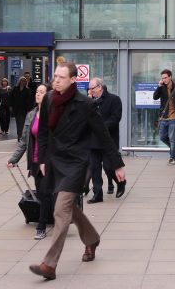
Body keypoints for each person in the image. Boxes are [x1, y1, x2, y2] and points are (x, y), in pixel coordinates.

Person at [29, 62, 126, 281]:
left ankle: (50, 264)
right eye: (55, 77)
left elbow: (103, 134)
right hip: (54, 160)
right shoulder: (49, 100)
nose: (56, 81)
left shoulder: (85, 104)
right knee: (68, 207)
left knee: (61, 209)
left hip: (76, 162)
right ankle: (91, 239)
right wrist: (43, 159)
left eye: (61, 77)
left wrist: (117, 164)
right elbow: (42, 132)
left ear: (73, 80)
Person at [7, 84, 53, 240]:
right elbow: (24, 141)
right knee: (41, 193)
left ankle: (41, 226)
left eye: (42, 92)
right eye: (37, 92)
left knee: (47, 193)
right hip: (35, 160)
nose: (38, 94)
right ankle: (49, 218)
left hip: (50, 161)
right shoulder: (31, 115)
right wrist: (13, 159)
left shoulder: (54, 114)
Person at [87, 78, 126, 202]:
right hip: (93, 141)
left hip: (108, 140)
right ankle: (97, 194)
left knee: (109, 167)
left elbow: (115, 118)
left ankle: (120, 183)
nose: (90, 91)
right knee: (94, 168)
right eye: (89, 89)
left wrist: (101, 128)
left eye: (92, 88)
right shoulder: (89, 102)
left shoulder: (114, 100)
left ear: (100, 87)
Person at [11, 76, 33, 142]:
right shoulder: (15, 89)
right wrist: (11, 106)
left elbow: (29, 100)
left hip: (24, 109)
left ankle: (20, 136)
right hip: (16, 108)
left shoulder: (27, 90)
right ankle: (19, 135)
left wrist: (29, 109)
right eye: (22, 81)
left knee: (22, 122)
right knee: (18, 123)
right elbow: (12, 98)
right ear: (19, 81)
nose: (23, 82)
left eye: (24, 81)